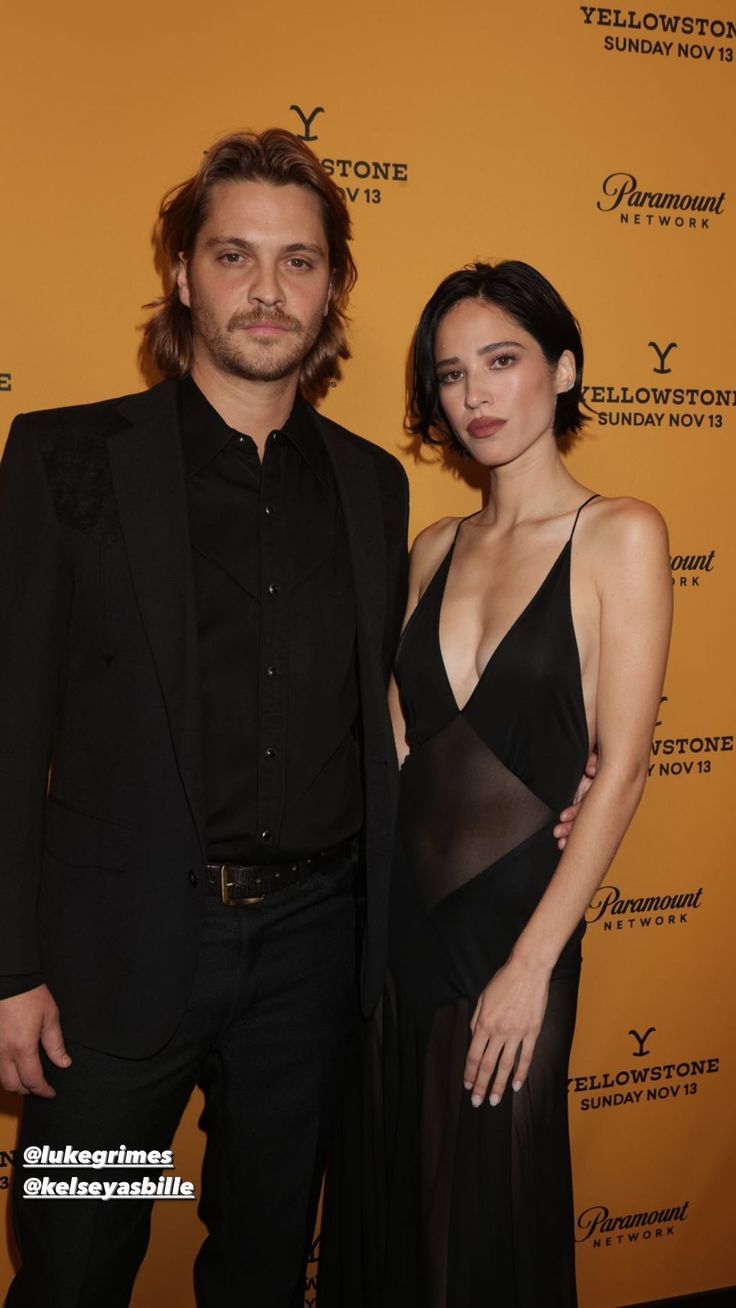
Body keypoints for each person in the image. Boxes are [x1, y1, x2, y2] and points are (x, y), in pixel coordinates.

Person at [0, 128, 412, 1308]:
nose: (266, 289)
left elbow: (380, 709)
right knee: (77, 1264)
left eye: (297, 260)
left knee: (265, 1263)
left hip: (309, 960)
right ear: (183, 273)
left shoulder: (371, 484)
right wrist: (7, 967)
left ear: (331, 287)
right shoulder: (67, 458)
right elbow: (10, 722)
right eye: (234, 256)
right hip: (111, 963)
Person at [321, 260, 672, 1307]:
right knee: (390, 1214)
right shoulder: (430, 549)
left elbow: (623, 765)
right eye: (449, 374)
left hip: (516, 937)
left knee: (488, 1231)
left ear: (561, 370)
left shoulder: (620, 535)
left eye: (502, 361)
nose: (473, 395)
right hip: (398, 934)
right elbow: (391, 752)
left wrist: (531, 967)